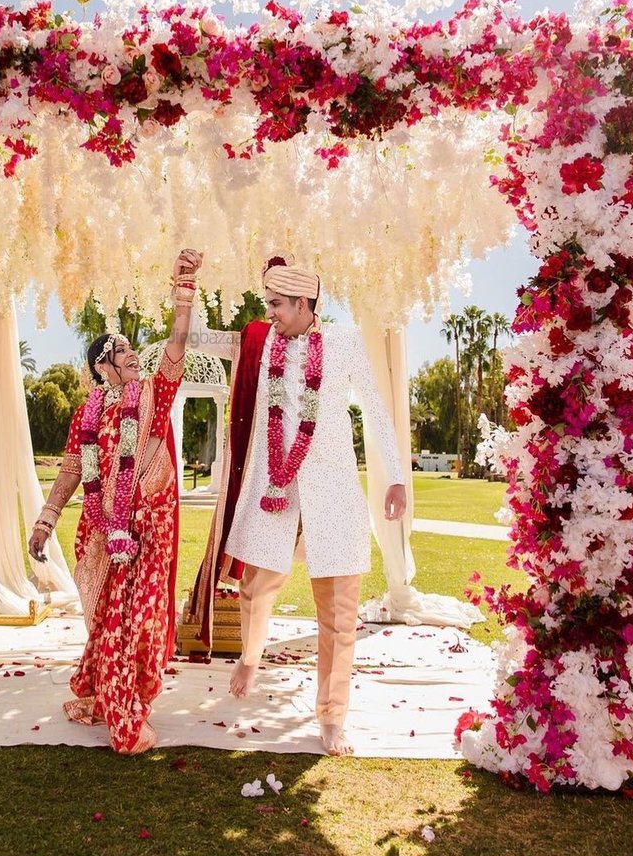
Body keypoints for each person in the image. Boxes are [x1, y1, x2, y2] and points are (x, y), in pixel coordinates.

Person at [187, 255, 407, 757]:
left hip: (332, 490)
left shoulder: (345, 342)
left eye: (278, 305)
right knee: (254, 584)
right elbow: (203, 341)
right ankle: (249, 655)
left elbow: (374, 407)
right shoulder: (266, 348)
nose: (272, 314)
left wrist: (395, 477)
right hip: (276, 488)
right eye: (268, 305)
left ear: (305, 303)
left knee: (339, 614)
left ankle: (332, 717)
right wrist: (188, 290)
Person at [29, 250, 201, 755]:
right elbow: (72, 470)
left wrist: (184, 291)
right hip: (108, 529)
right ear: (101, 365)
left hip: (153, 526)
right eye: (120, 350)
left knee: (144, 619)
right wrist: (46, 519)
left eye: (131, 349)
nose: (131, 354)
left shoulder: (153, 394)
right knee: (115, 620)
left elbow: (176, 345)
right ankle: (123, 715)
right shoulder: (89, 413)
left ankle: (104, 691)